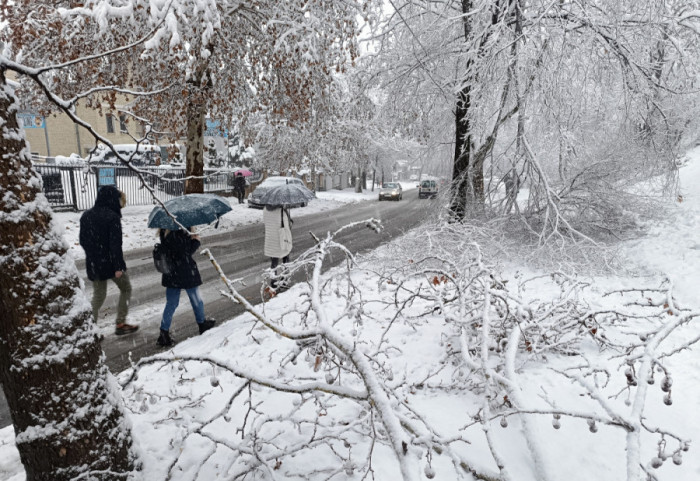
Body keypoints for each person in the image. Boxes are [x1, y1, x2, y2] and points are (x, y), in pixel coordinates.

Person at [79, 185, 138, 335]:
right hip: (111, 263)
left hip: (93, 263)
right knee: (126, 288)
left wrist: (94, 256)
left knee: (98, 296)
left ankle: (89, 330)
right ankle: (121, 323)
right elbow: (115, 244)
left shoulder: (86, 216)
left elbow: (83, 241)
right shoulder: (112, 217)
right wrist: (118, 266)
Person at [156, 227, 215, 347]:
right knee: (196, 299)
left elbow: (176, 251)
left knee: (171, 303)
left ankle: (164, 332)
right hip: (185, 271)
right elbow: (185, 252)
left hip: (171, 272)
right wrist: (196, 241)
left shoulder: (164, 230)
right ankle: (202, 324)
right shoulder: (180, 229)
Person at [263, 205, 293, 289]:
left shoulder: (265, 209)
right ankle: (284, 280)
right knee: (285, 260)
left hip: (270, 239)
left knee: (274, 262)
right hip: (281, 239)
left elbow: (265, 222)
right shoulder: (281, 211)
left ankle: (273, 282)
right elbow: (286, 226)